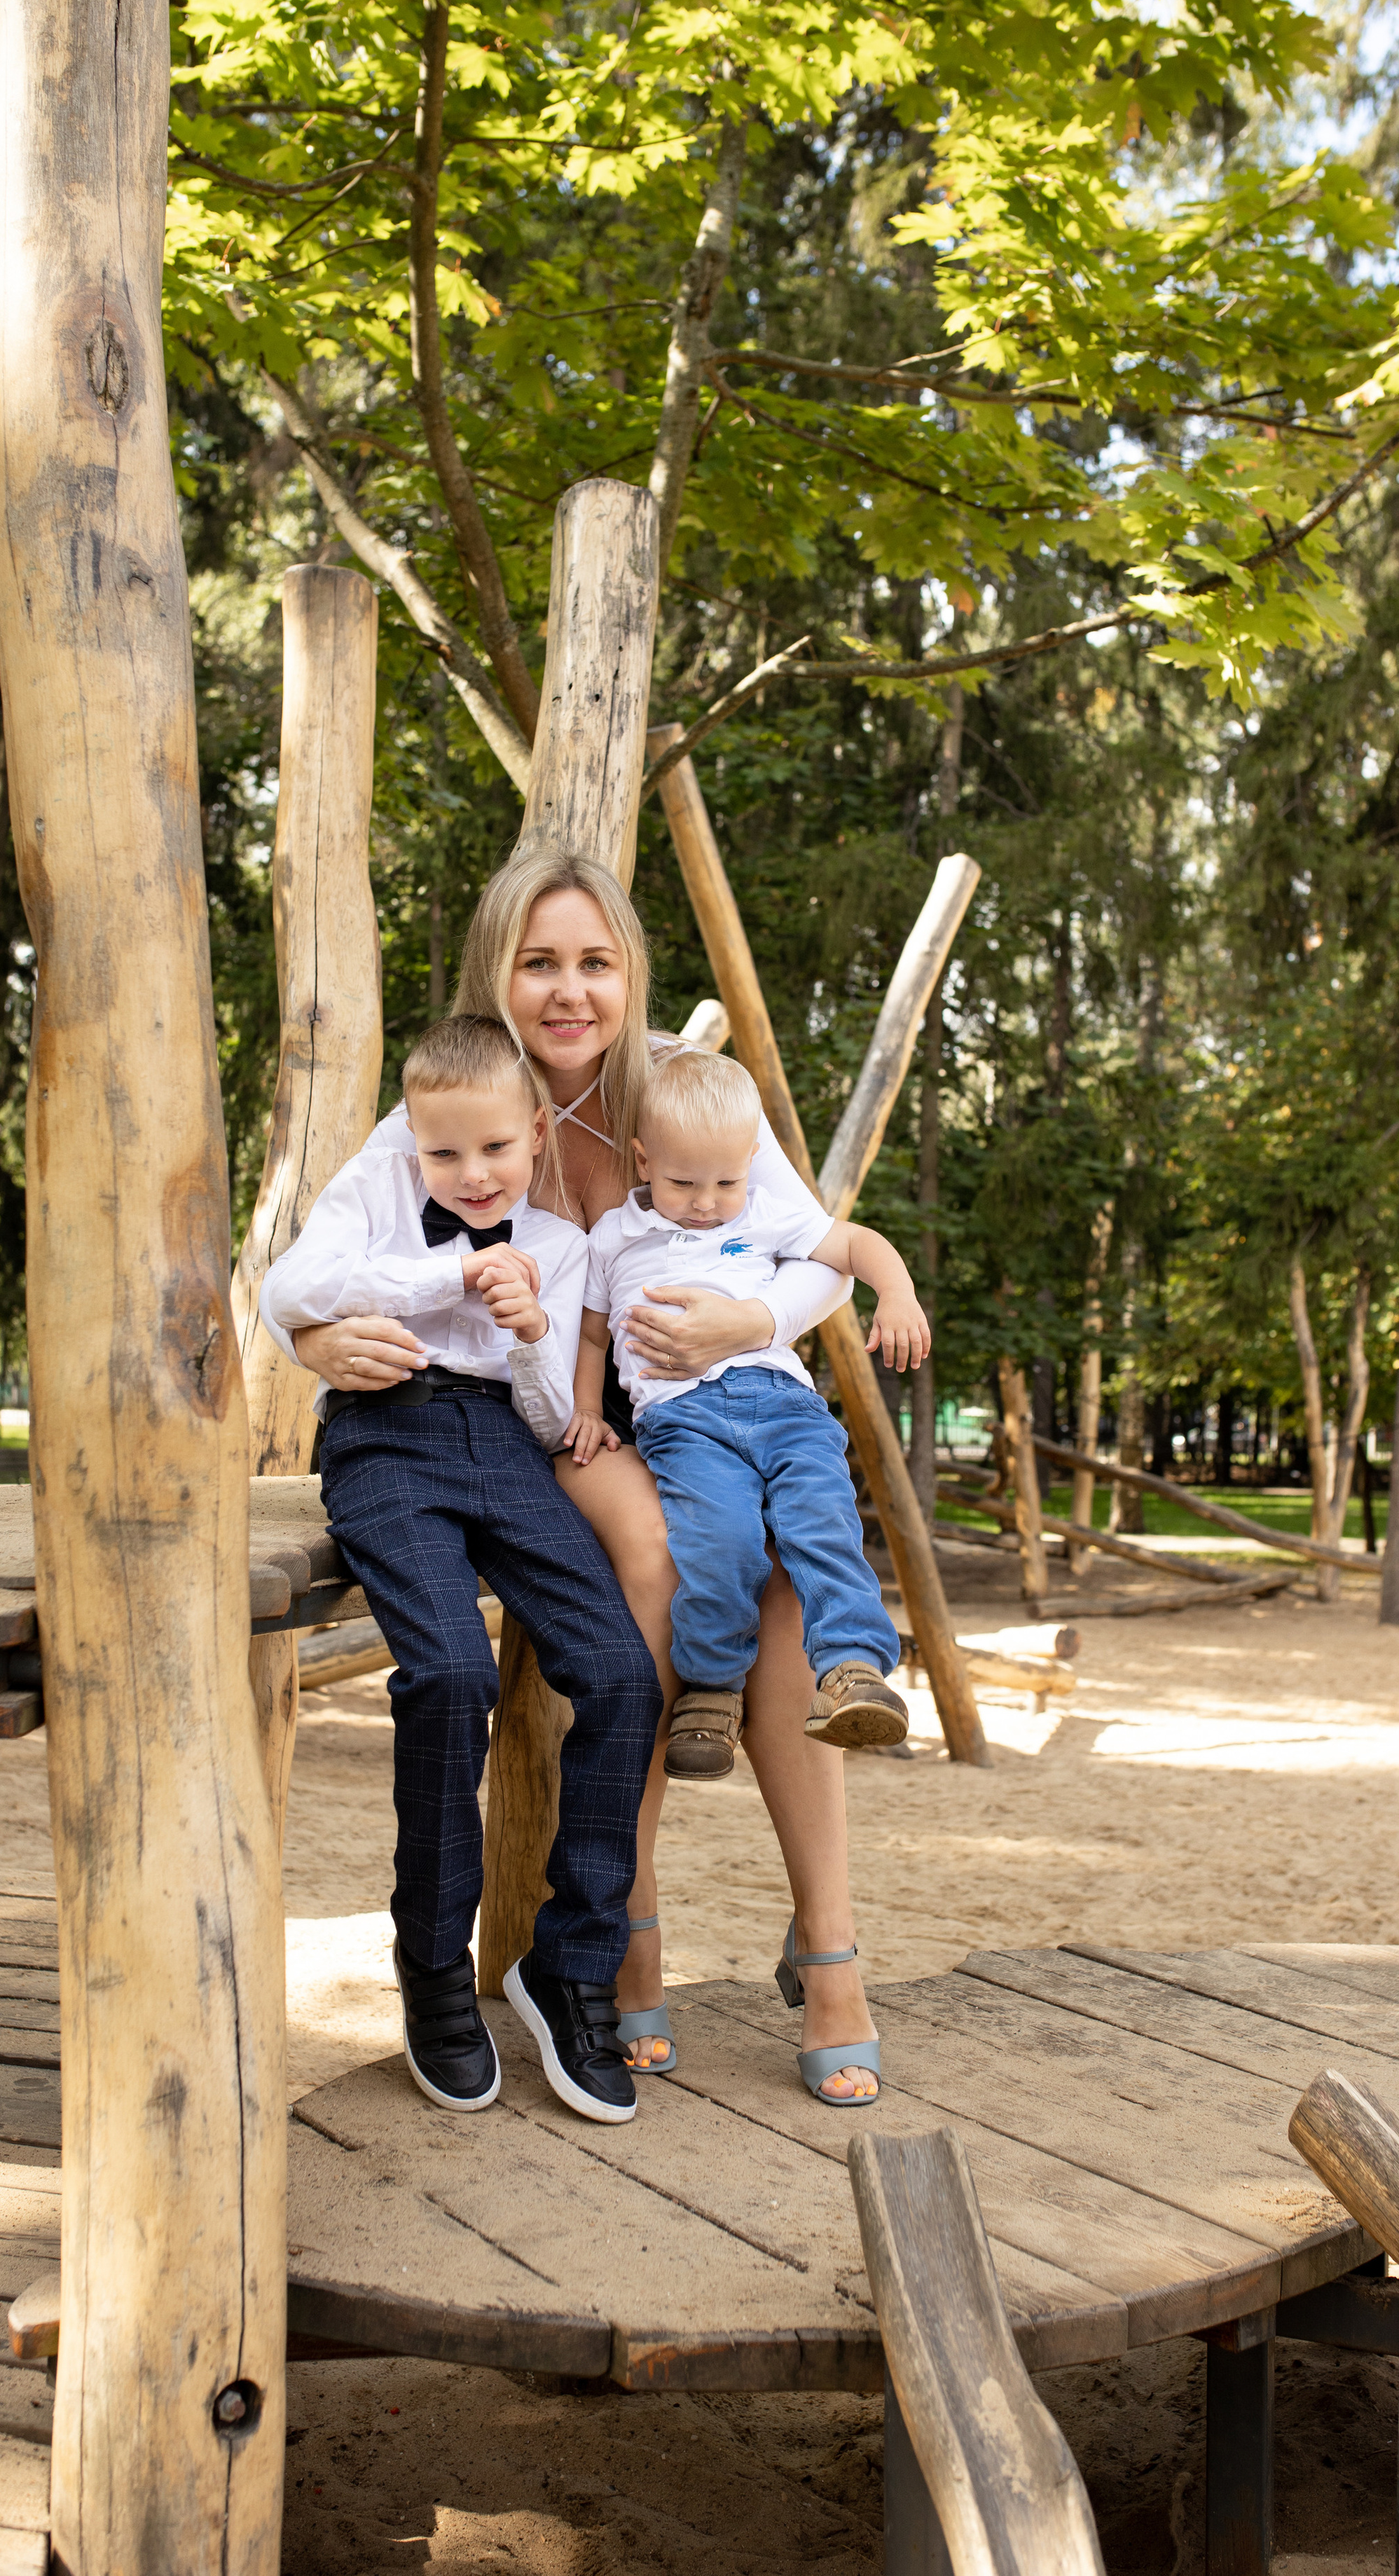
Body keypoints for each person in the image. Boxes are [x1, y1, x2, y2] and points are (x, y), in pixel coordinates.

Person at [292, 847, 891, 2106]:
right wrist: (308, 1339)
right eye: (539, 963)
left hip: (710, 1392)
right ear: (495, 976)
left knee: (787, 1582)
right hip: (553, 1417)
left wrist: (745, 1327)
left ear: (632, 975)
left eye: (596, 963)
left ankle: (828, 1941)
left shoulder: (681, 1090)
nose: (571, 992)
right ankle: (626, 1934)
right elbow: (337, 1262)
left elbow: (815, 1254)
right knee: (656, 1569)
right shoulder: (450, 1108)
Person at [260, 1014, 660, 2128]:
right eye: (446, 1156)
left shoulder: (561, 1245)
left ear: (535, 1133)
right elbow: (291, 1286)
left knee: (624, 1678)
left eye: (494, 1150)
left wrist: (533, 1332)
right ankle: (434, 1967)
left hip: (508, 1449)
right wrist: (443, 1276)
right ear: (414, 1148)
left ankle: (568, 1966)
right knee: (449, 1674)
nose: (472, 1175)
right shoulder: (382, 1192)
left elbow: (544, 1414)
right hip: (384, 1439)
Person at [565, 1047, 923, 1786]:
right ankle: (712, 1690)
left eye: (726, 1181)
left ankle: (853, 1667)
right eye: (683, 1182)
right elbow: (593, 1334)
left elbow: (853, 1244)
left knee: (820, 1523)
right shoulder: (614, 1238)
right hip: (683, 1422)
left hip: (784, 1404)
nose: (706, 1202)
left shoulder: (761, 1214)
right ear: (642, 1160)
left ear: (750, 1162)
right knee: (719, 1543)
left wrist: (898, 1293)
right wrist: (585, 1409)